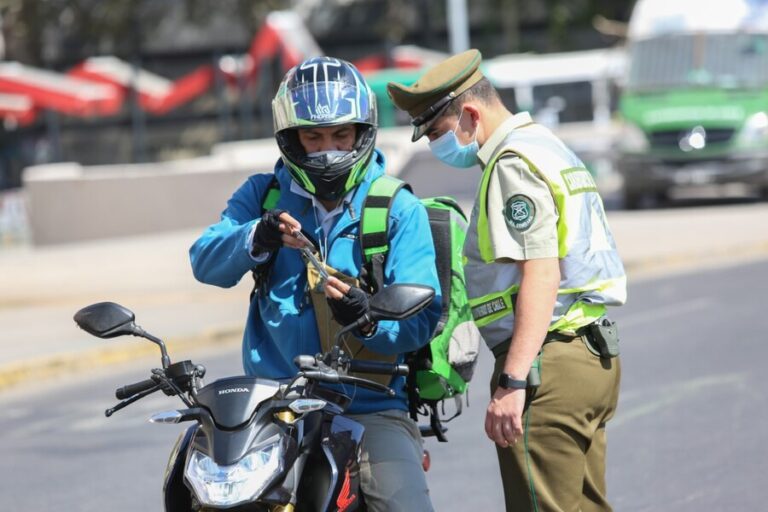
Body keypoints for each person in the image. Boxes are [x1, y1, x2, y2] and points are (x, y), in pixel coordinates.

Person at [190, 56, 441, 512]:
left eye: (341, 134)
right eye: (313, 136)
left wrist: (367, 319)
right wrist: (255, 236)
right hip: (273, 407)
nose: (328, 149)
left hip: (369, 407)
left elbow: (422, 318)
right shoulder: (262, 194)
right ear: (291, 139)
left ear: (362, 132)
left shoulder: (398, 208)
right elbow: (204, 261)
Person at [387, 49, 627, 512]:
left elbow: (541, 269)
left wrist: (514, 380)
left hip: (547, 363)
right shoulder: (547, 145)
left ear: (470, 114)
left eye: (436, 132)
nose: (434, 145)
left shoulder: (512, 163)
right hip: (591, 352)